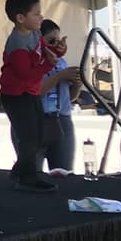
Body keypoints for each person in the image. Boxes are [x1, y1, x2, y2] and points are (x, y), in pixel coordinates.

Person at [0, 0, 59, 192]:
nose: (41, 17)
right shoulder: (16, 43)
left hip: (30, 91)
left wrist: (56, 51)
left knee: (38, 133)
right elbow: (26, 73)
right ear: (20, 18)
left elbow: (44, 49)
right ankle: (28, 176)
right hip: (15, 94)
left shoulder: (35, 33)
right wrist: (49, 66)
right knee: (28, 135)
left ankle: (20, 171)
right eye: (36, 14)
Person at [39, 20, 82, 174]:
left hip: (61, 119)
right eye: (51, 41)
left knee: (64, 173)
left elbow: (68, 98)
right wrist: (59, 76)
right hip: (36, 120)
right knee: (33, 175)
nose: (57, 45)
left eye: (59, 41)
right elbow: (36, 91)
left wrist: (77, 84)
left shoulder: (61, 61)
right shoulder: (32, 61)